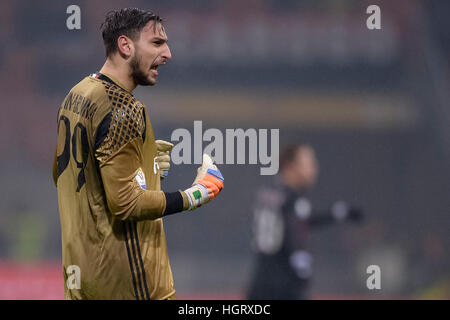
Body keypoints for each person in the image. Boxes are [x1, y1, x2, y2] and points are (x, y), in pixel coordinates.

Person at [52, 8, 224, 300]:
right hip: (129, 285)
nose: (167, 54)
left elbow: (63, 175)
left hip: (82, 283)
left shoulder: (77, 93)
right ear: (125, 45)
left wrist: (143, 165)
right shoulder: (124, 108)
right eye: (157, 43)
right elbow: (126, 205)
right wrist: (196, 194)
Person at [247, 143, 362, 300]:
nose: (314, 170)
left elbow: (302, 219)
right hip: (284, 283)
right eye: (308, 164)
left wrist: (338, 212)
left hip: (261, 280)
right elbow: (294, 230)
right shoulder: (291, 199)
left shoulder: (271, 193)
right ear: (290, 168)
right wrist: (301, 262)